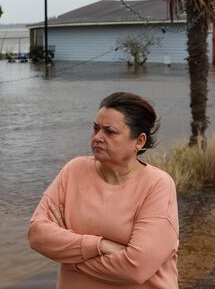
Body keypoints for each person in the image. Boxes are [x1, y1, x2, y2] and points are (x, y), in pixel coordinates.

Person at [28, 92, 179, 288]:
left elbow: (135, 269)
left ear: (139, 141)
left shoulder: (157, 185)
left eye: (110, 132)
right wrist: (100, 246)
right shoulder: (74, 170)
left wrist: (69, 252)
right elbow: (37, 235)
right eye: (95, 128)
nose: (98, 137)